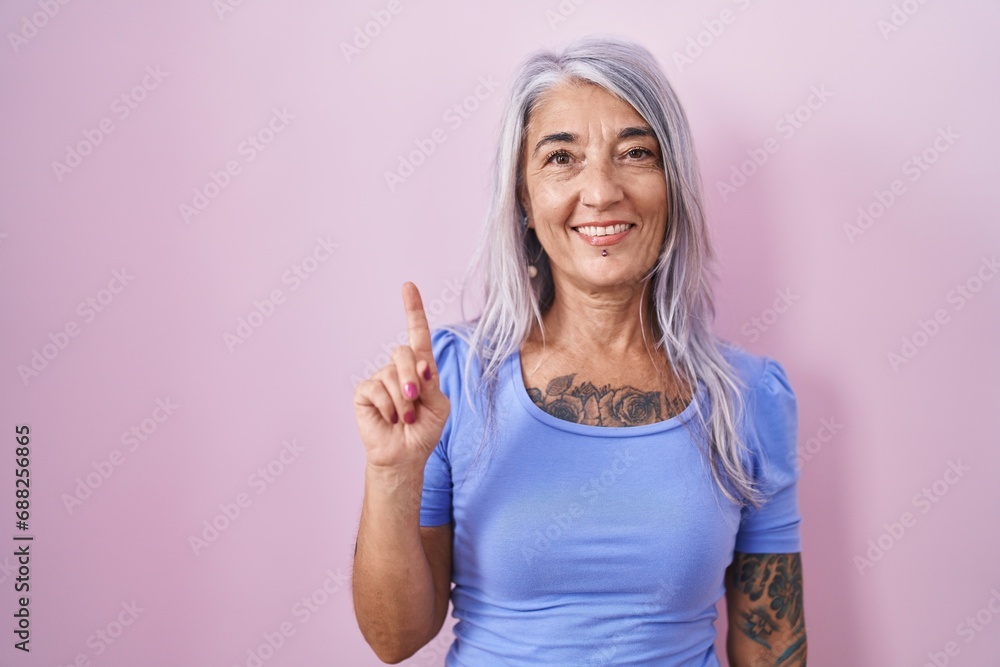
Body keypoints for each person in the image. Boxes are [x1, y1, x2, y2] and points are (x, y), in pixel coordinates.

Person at [352, 35, 807, 666]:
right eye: (561, 158)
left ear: (673, 185)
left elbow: (773, 649)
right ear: (523, 196)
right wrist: (391, 474)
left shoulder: (751, 397)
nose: (601, 191)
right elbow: (393, 639)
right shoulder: (452, 380)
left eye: (636, 153)